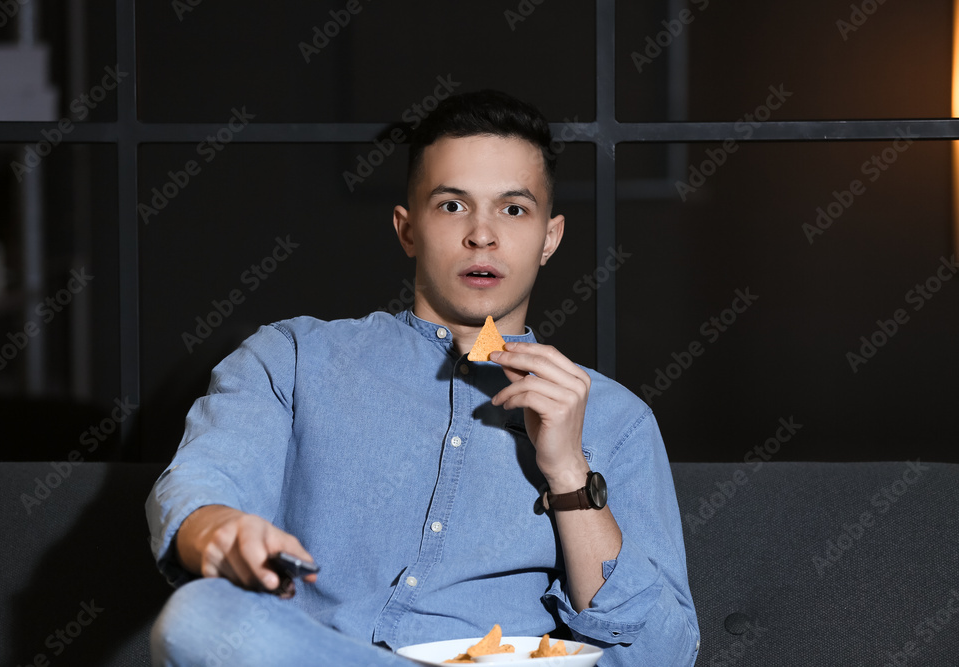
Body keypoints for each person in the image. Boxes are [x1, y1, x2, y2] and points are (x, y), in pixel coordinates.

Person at [146, 89, 700, 666]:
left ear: (549, 238)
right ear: (408, 229)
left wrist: (568, 473)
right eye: (452, 206)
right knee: (200, 616)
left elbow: (662, 655)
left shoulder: (618, 419)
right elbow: (202, 480)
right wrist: (215, 528)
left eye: (513, 209)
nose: (482, 235)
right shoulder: (291, 358)